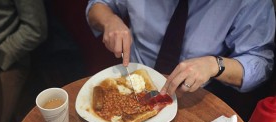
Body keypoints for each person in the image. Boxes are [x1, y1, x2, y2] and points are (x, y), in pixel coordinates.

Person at [85, 1, 275, 98]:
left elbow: (260, 60)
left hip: (193, 94)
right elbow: (98, 5)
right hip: (132, 77)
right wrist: (109, 20)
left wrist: (214, 64)